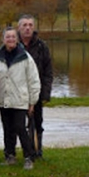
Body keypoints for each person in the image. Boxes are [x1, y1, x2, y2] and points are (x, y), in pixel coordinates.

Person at [0, 27, 41, 170]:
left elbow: (33, 80)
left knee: (20, 127)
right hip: (3, 98)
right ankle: (10, 155)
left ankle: (29, 156)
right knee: (7, 129)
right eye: (8, 37)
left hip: (20, 99)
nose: (11, 39)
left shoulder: (25, 57)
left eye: (13, 37)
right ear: (3, 39)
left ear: (17, 39)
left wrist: (33, 102)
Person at [18, 15, 53, 159]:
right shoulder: (13, 44)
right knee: (19, 124)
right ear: (19, 28)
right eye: (24, 25)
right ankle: (23, 151)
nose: (27, 28)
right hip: (18, 91)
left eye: (30, 25)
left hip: (36, 90)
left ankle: (38, 150)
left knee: (37, 122)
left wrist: (45, 94)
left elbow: (48, 72)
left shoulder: (41, 46)